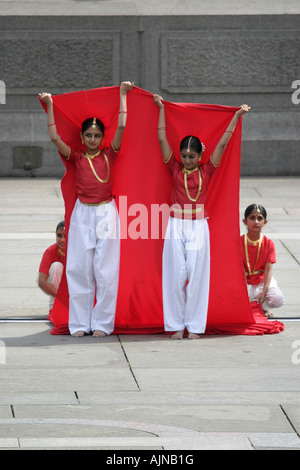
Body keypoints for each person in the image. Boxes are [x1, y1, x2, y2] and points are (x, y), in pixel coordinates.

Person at [39, 81, 134, 337]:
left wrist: (122, 95)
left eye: (97, 135)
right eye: (88, 135)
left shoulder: (109, 154)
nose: (92, 139)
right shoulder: (76, 157)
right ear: (82, 137)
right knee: (79, 268)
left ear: (103, 138)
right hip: (83, 213)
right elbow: (53, 137)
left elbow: (122, 125)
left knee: (105, 270)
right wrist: (49, 106)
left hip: (106, 212)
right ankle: (80, 323)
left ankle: (102, 324)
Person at [153, 94, 250, 339]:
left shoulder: (207, 169)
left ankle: (195, 326)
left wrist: (236, 117)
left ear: (199, 156)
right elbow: (162, 137)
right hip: (175, 224)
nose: (187, 160)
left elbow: (222, 145)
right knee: (175, 276)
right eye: (184, 156)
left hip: (198, 226)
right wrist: (161, 108)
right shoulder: (173, 167)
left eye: (191, 156)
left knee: (197, 277)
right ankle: (175, 325)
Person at [241, 203, 285, 317]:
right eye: (252, 218)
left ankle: (262, 307)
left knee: (277, 299)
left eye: (259, 218)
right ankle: (253, 306)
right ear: (245, 221)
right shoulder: (238, 241)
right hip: (243, 281)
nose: (256, 222)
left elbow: (268, 270)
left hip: (261, 281)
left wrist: (264, 292)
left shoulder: (268, 243)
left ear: (265, 223)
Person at [38, 221, 66, 321]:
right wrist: (63, 298)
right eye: (59, 236)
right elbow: (41, 282)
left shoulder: (80, 251)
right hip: (59, 295)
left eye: (66, 236)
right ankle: (55, 308)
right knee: (56, 266)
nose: (62, 240)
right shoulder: (50, 251)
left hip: (75, 295)